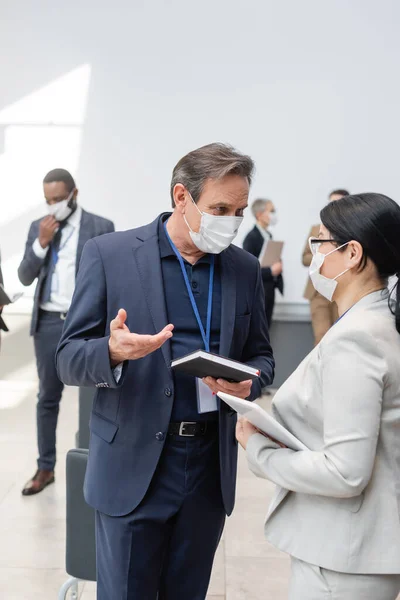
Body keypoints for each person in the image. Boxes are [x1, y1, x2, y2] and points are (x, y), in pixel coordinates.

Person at [55, 143, 275, 600]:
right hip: (133, 466)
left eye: (238, 210)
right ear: (181, 196)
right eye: (220, 209)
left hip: (208, 471)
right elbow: (67, 358)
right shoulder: (110, 255)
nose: (232, 222)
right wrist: (111, 352)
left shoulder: (243, 268)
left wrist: (249, 381)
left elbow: (262, 357)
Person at [237, 192, 400, 600]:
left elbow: (346, 472)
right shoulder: (380, 320)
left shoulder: (356, 339)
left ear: (353, 255)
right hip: (359, 550)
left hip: (344, 558)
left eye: (321, 242)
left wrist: (258, 448)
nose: (313, 254)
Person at [18, 169, 114, 496]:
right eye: (48, 201)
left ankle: (95, 463)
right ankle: (46, 467)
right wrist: (41, 244)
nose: (53, 206)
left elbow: (110, 280)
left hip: (85, 323)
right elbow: (25, 275)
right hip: (47, 322)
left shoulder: (101, 227)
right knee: (47, 397)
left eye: (59, 199)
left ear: (74, 194)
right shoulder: (39, 228)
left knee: (93, 395)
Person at [302, 189, 349, 344]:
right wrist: (322, 255)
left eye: (338, 203)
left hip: (340, 290)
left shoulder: (351, 231)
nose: (333, 207)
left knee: (339, 336)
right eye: (331, 203)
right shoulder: (317, 229)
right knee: (321, 337)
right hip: (317, 292)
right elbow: (304, 257)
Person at [243, 198, 283, 327]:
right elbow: (248, 270)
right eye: (271, 211)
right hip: (259, 291)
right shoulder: (251, 238)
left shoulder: (268, 235)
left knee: (267, 326)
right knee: (259, 328)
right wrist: (271, 271)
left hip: (269, 288)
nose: (274, 214)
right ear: (259, 215)